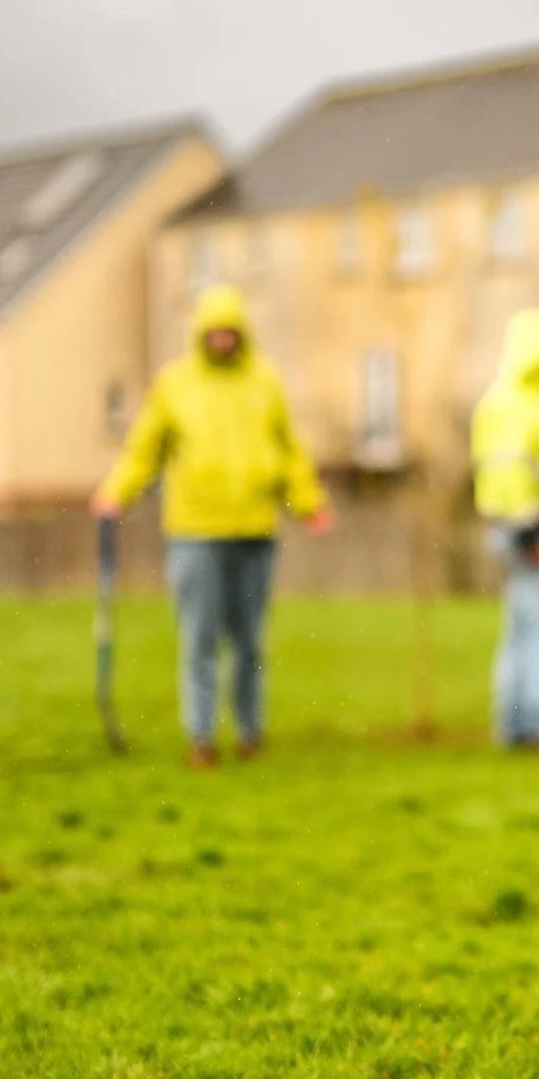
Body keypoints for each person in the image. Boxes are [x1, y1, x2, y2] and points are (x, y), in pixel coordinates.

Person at [93, 284, 332, 768]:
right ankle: (200, 737)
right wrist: (117, 491)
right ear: (201, 334)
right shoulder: (175, 385)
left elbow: (289, 450)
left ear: (242, 333)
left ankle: (249, 732)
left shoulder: (265, 382)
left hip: (254, 529)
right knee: (199, 638)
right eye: (214, 332)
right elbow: (145, 448)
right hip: (195, 532)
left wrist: (309, 502)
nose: (222, 339)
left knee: (249, 640)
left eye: (230, 331)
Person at [470, 308, 539, 750]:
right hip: (528, 530)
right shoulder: (517, 402)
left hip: (525, 527)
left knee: (522, 626)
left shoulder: (527, 399)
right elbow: (510, 473)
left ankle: (514, 725)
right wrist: (530, 533)